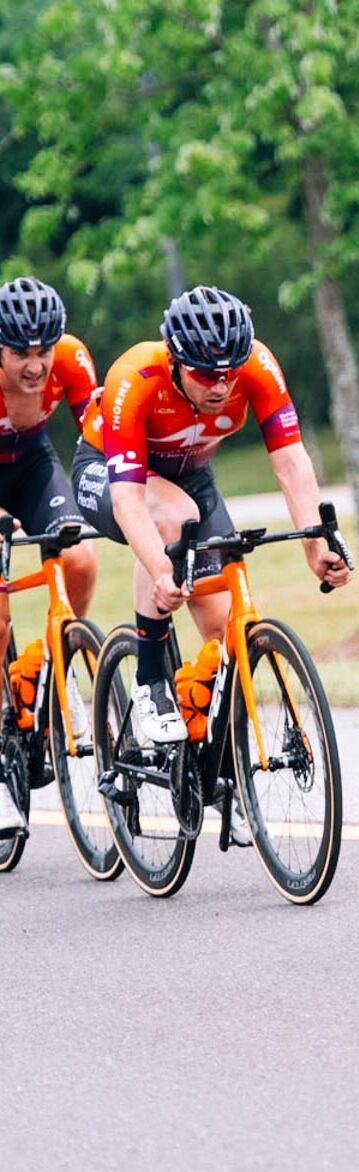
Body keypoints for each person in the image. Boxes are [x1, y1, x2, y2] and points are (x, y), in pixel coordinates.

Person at [72, 285, 351, 843]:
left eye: (230, 372)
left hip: (192, 478)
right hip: (110, 472)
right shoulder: (137, 376)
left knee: (227, 633)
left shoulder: (257, 366)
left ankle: (225, 776)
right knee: (170, 520)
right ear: (175, 361)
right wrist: (161, 570)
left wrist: (317, 545)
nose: (222, 385)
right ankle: (150, 682)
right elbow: (131, 504)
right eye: (206, 374)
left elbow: (292, 463)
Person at [0, 276, 99, 836]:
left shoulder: (71, 356)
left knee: (78, 554)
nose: (36, 365)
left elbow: (102, 433)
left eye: (44, 351)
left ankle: (59, 668)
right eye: (20, 354)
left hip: (36, 465)